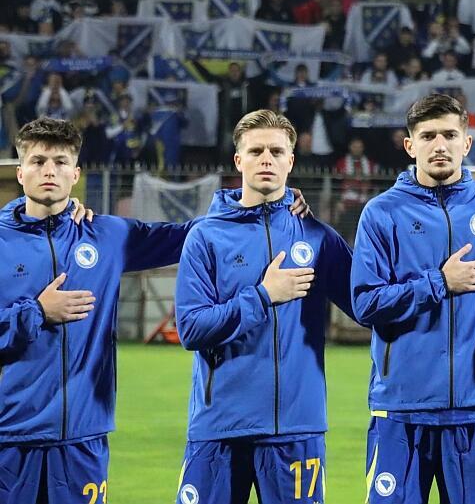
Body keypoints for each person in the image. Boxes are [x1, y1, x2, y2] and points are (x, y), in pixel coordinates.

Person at [0, 117, 308, 503]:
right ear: (20, 172)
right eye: (38, 161)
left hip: (82, 436)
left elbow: (196, 233)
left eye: (61, 162)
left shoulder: (106, 235)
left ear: (75, 174)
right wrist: (37, 312)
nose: (50, 171)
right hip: (9, 435)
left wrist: (273, 203)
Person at [351, 93, 475, 504]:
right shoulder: (382, 213)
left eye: (450, 135)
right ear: (409, 145)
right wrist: (439, 282)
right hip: (401, 408)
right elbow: (365, 303)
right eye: (428, 136)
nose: (440, 145)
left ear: (466, 143)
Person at [174, 110, 352, 504]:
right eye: (256, 151)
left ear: (291, 161)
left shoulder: (318, 237)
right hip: (219, 427)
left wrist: (437, 279)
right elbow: (191, 328)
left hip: (297, 428)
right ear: (239, 160)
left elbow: (371, 305)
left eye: (276, 151)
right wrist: (262, 296)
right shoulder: (205, 236)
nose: (266, 159)